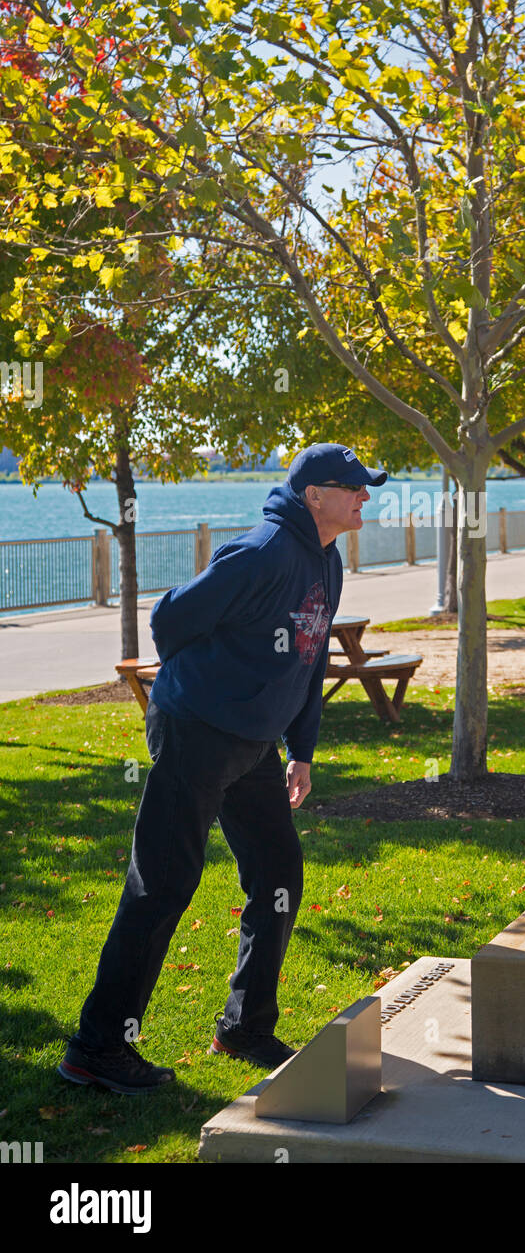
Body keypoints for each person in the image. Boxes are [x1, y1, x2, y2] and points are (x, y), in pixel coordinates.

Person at [58, 443, 387, 1095]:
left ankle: (244, 1028)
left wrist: (302, 751)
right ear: (313, 495)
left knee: (277, 875)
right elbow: (171, 620)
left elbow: (308, 659)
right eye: (353, 487)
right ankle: (97, 1048)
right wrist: (207, 689)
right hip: (198, 733)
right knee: (163, 884)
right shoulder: (262, 551)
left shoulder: (326, 558)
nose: (365, 498)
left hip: (254, 747)